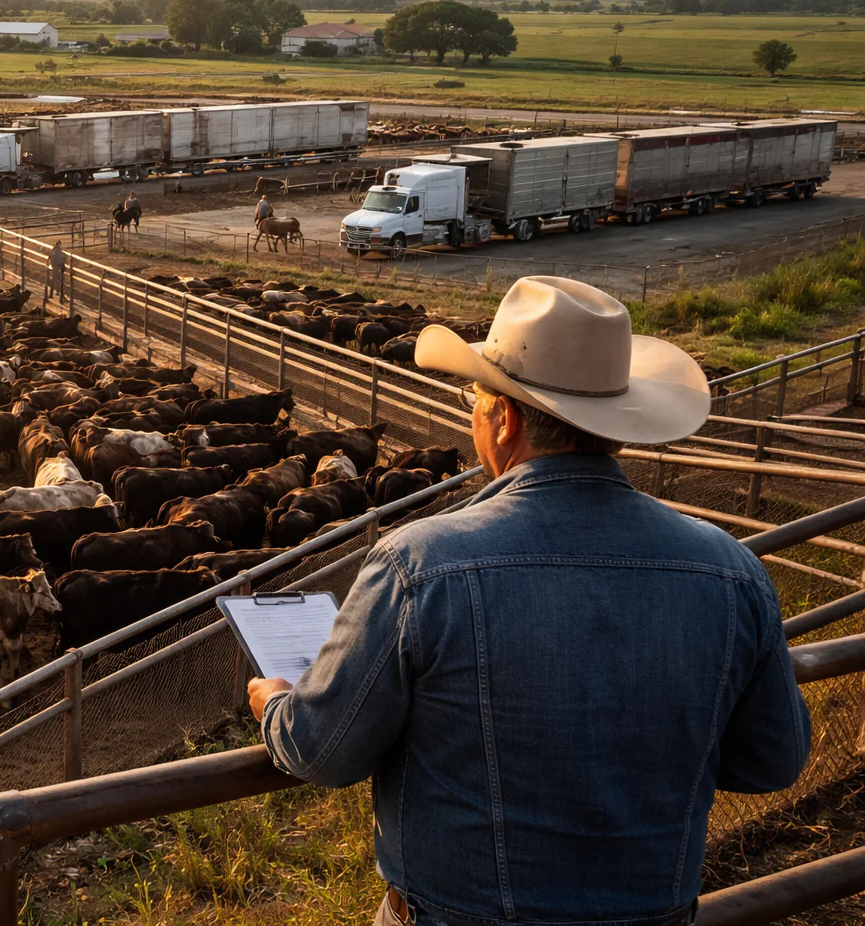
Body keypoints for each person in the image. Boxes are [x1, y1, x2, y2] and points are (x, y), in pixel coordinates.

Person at [250, 276, 810, 926]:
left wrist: (277, 705)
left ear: (505, 419)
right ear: (616, 425)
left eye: (476, 399)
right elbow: (772, 760)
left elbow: (323, 752)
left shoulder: (421, 564)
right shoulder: (731, 570)